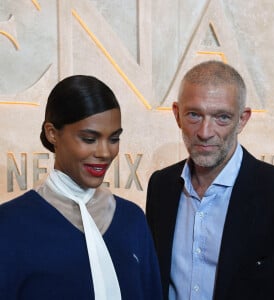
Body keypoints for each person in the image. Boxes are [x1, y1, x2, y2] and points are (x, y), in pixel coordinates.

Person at [146, 60, 274, 300]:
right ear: (177, 115)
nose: (205, 132)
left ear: (242, 119)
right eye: (194, 115)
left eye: (222, 118)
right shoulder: (161, 185)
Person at [0, 75, 163, 300]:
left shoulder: (132, 219)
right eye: (89, 139)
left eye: (114, 139)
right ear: (52, 133)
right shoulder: (9, 224)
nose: (105, 153)